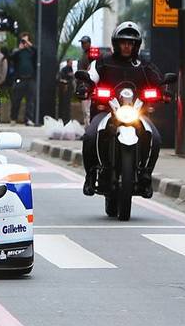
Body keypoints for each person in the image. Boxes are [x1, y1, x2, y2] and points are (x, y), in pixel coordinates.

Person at [77, 21, 165, 197]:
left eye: (131, 43)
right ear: (116, 43)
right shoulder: (102, 62)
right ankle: (90, 175)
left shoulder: (143, 65)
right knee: (90, 136)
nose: (127, 46)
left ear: (136, 45)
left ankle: (146, 174)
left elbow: (159, 80)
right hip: (105, 111)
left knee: (155, 137)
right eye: (123, 42)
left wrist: (165, 91)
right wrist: (84, 86)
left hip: (136, 112)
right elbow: (90, 77)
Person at [8, 32, 37, 125]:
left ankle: (28, 119)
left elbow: (37, 52)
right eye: (23, 40)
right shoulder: (18, 52)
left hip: (30, 79)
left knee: (30, 101)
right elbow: (11, 58)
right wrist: (19, 50)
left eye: (26, 40)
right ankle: (13, 118)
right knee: (16, 100)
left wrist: (29, 45)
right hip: (20, 79)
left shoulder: (31, 52)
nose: (24, 42)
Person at [56, 57, 75, 122]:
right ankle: (63, 118)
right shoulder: (64, 69)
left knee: (68, 105)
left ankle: (67, 118)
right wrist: (65, 82)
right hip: (64, 90)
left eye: (72, 63)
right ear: (67, 62)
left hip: (69, 90)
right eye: (70, 63)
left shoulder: (71, 69)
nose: (71, 64)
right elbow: (61, 78)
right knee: (63, 104)